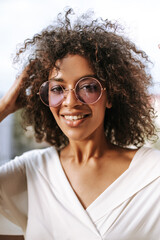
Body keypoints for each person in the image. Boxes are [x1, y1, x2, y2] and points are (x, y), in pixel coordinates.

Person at [0, 8, 159, 240]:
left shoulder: (153, 174)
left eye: (88, 87)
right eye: (57, 88)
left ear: (111, 95)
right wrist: (3, 108)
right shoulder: (30, 172)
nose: (71, 102)